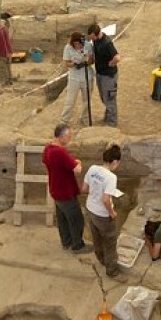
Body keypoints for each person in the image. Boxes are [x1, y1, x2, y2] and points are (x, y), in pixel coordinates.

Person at [41, 124, 91, 253]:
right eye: (69, 136)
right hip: (65, 191)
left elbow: (53, 164)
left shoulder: (48, 148)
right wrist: (78, 162)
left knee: (62, 218)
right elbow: (77, 170)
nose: (70, 139)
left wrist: (70, 162)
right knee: (76, 219)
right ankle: (77, 246)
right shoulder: (60, 152)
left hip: (55, 189)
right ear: (62, 137)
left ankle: (66, 242)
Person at [82, 144, 124, 277]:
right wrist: (112, 213)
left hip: (90, 209)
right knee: (110, 241)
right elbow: (106, 199)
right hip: (102, 215)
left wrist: (95, 191)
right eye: (118, 163)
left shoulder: (93, 168)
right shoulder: (111, 177)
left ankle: (101, 259)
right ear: (115, 162)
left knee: (97, 238)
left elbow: (84, 189)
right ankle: (112, 271)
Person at [87, 24, 121, 126]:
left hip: (108, 76)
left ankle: (112, 122)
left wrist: (111, 63)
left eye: (92, 37)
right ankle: (107, 117)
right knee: (104, 97)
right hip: (100, 74)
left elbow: (117, 57)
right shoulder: (96, 40)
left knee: (110, 98)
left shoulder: (107, 43)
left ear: (97, 35)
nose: (91, 39)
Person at [61, 32, 94, 125]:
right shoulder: (68, 47)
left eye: (79, 44)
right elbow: (66, 63)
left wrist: (87, 60)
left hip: (87, 77)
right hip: (74, 78)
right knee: (70, 100)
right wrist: (73, 64)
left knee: (87, 100)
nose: (77, 46)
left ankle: (85, 117)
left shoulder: (88, 45)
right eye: (75, 44)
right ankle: (65, 120)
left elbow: (92, 60)